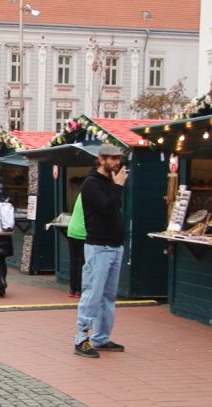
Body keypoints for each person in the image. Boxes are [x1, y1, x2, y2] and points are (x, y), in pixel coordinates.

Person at [73, 144, 128, 358]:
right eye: (113, 159)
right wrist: (119, 186)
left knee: (108, 296)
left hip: (115, 246)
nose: (116, 162)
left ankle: (101, 337)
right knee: (92, 294)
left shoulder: (110, 183)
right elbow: (107, 208)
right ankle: (81, 338)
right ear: (101, 159)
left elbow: (114, 208)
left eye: (118, 158)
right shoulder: (91, 184)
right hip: (99, 247)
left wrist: (116, 186)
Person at [67, 192, 86, 299]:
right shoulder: (93, 195)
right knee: (82, 263)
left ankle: (72, 289)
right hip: (83, 232)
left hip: (72, 230)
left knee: (73, 261)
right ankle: (79, 290)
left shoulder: (80, 194)